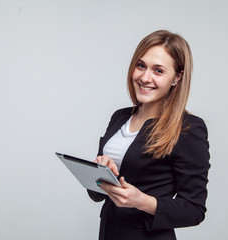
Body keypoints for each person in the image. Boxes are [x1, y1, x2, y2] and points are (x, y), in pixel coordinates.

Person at [87, 30, 210, 240]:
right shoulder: (119, 117)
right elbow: (97, 194)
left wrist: (141, 201)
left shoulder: (188, 128)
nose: (145, 77)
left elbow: (194, 209)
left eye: (158, 71)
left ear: (177, 77)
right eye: (141, 65)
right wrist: (101, 171)